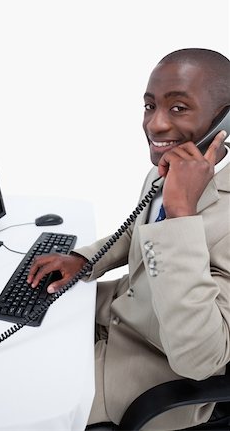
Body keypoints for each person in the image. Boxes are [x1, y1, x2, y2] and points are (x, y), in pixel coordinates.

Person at [28, 48, 230, 430]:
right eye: (150, 106)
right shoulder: (170, 170)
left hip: (146, 374)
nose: (155, 125)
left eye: (178, 108)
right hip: (118, 314)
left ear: (225, 119)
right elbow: (142, 231)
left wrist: (181, 212)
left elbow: (201, 358)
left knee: (6, 402)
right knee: (1, 335)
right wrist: (86, 260)